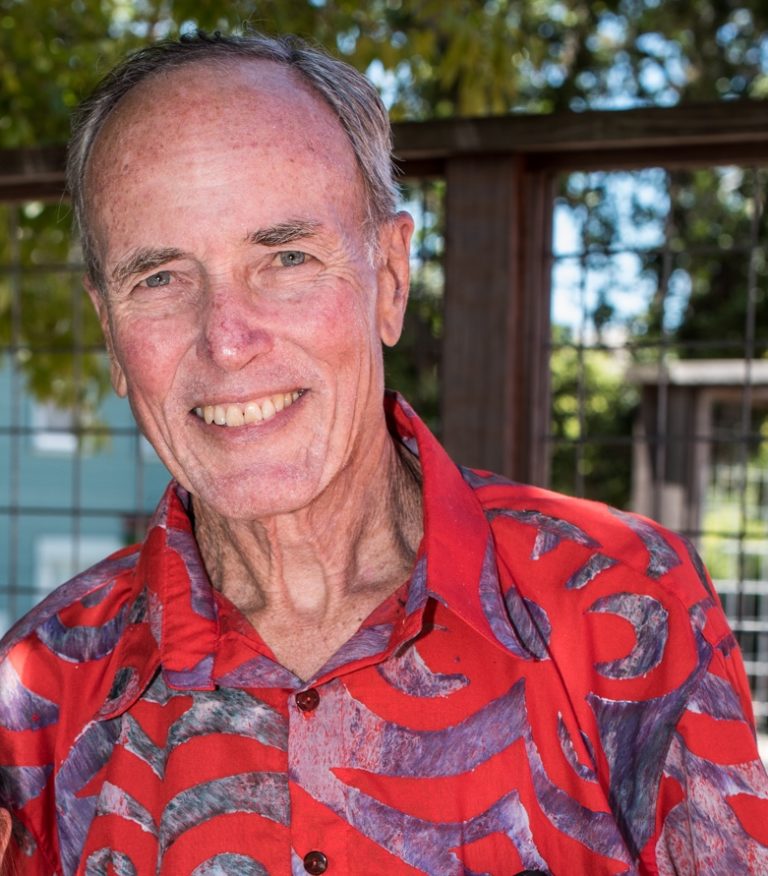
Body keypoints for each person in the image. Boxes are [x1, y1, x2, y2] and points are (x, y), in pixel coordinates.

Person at [1, 31, 767, 876]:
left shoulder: (624, 606)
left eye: (285, 257)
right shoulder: (42, 693)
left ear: (391, 280)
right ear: (110, 333)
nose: (226, 339)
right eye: (159, 279)